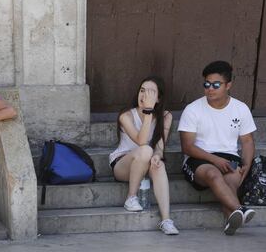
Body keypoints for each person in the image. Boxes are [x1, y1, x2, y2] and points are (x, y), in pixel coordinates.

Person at [178, 61, 256, 235]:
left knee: (231, 181)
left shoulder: (240, 108)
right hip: (198, 158)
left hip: (229, 157)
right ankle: (239, 209)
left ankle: (232, 219)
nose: (210, 89)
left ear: (228, 85)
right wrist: (215, 160)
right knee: (213, 174)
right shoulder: (192, 109)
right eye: (206, 84)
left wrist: (246, 166)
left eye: (216, 85)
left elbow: (248, 141)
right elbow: (187, 147)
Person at [109, 76, 179, 235]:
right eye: (142, 91)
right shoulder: (126, 116)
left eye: (150, 93)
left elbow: (160, 147)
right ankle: (131, 198)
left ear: (159, 98)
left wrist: (157, 155)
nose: (144, 96)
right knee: (146, 150)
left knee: (158, 163)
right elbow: (141, 141)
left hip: (146, 162)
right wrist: (148, 111)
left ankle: (166, 220)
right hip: (123, 165)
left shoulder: (166, 116)